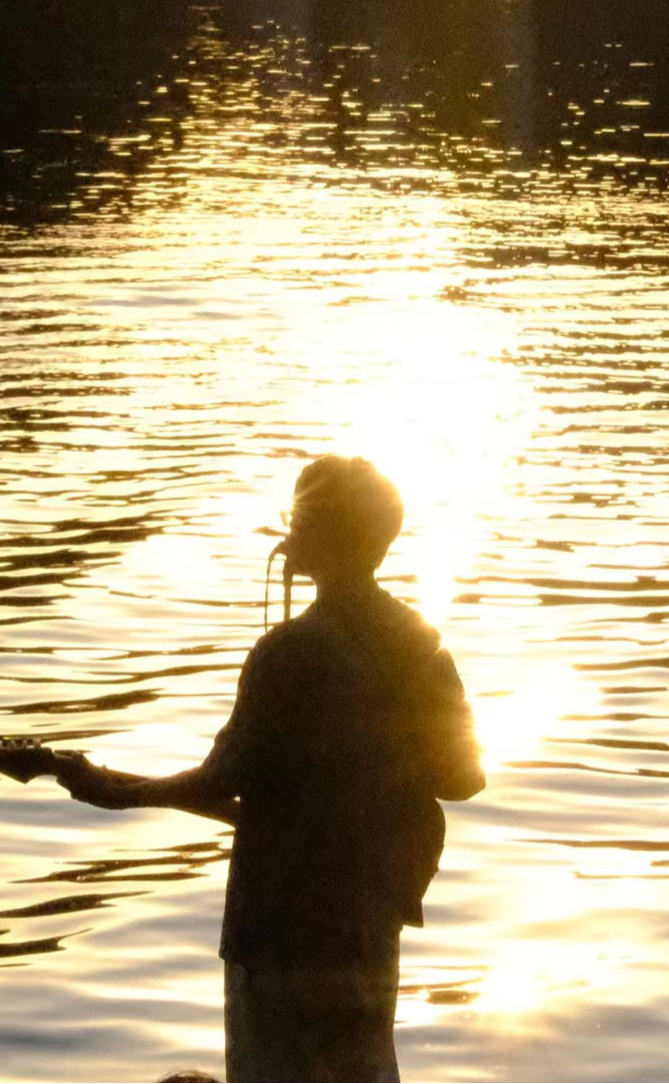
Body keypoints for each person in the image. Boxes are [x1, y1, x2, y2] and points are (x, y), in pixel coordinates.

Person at [52, 455, 485, 1083]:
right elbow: (463, 779)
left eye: (298, 519)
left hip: (277, 934)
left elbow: (220, 780)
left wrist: (115, 796)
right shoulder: (419, 642)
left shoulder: (285, 651)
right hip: (367, 923)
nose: (287, 535)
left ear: (321, 535)